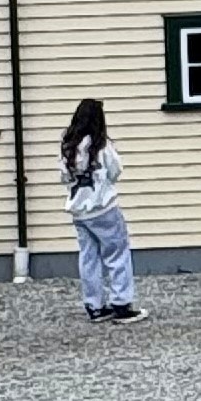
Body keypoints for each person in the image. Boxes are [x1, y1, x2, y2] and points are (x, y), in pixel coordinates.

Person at [59, 98, 142, 322]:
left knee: (89, 258)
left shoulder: (68, 146)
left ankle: (94, 305)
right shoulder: (102, 146)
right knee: (117, 254)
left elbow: (64, 177)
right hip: (103, 207)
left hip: (79, 211)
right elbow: (116, 170)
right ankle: (121, 303)